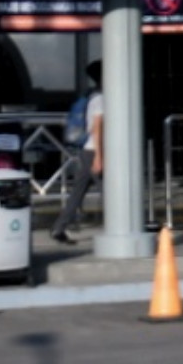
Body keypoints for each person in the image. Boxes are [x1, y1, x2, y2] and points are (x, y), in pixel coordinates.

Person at [54, 62, 103, 243]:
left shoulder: (91, 95)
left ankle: (59, 228)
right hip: (94, 151)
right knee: (110, 191)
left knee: (78, 191)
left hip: (88, 150)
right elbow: (97, 127)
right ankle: (123, 225)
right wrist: (99, 157)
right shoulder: (101, 98)